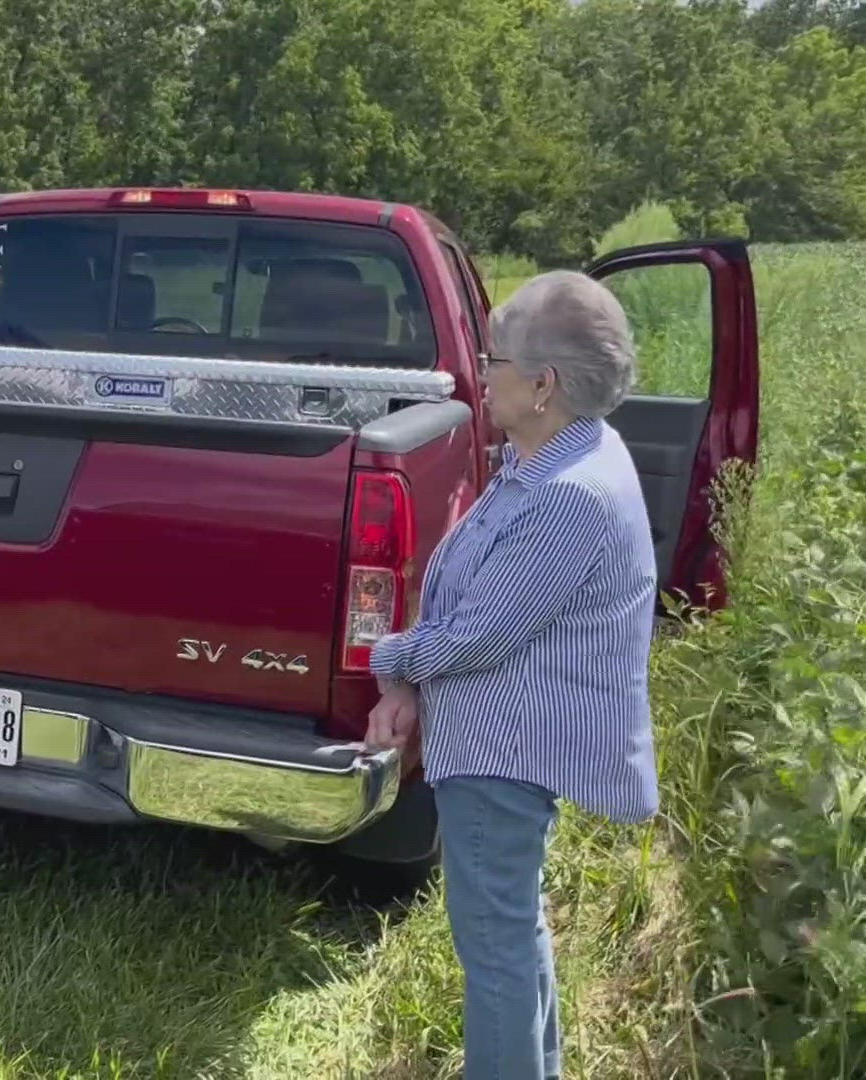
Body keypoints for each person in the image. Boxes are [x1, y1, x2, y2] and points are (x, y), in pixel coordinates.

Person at [364, 270, 658, 1080]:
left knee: (493, 949)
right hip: (504, 741)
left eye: (495, 360)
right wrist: (411, 686)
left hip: (506, 755)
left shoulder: (571, 494)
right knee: (511, 931)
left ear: (543, 384)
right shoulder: (554, 457)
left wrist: (391, 663)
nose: (481, 373)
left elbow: (483, 635)